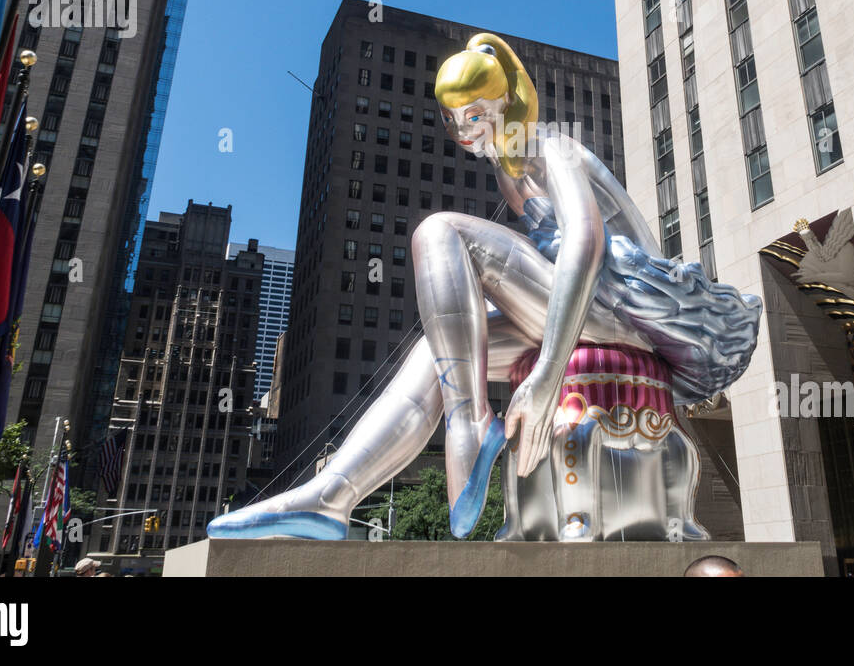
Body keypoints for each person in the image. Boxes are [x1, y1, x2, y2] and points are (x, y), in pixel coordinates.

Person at [209, 34, 760, 541]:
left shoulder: (549, 146)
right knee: (437, 351)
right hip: (585, 316)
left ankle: (471, 423)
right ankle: (332, 495)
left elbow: (585, 245)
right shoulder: (507, 170)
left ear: (506, 104)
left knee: (439, 232)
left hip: (624, 317)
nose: (465, 129)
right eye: (454, 119)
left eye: (475, 114)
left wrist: (546, 377)